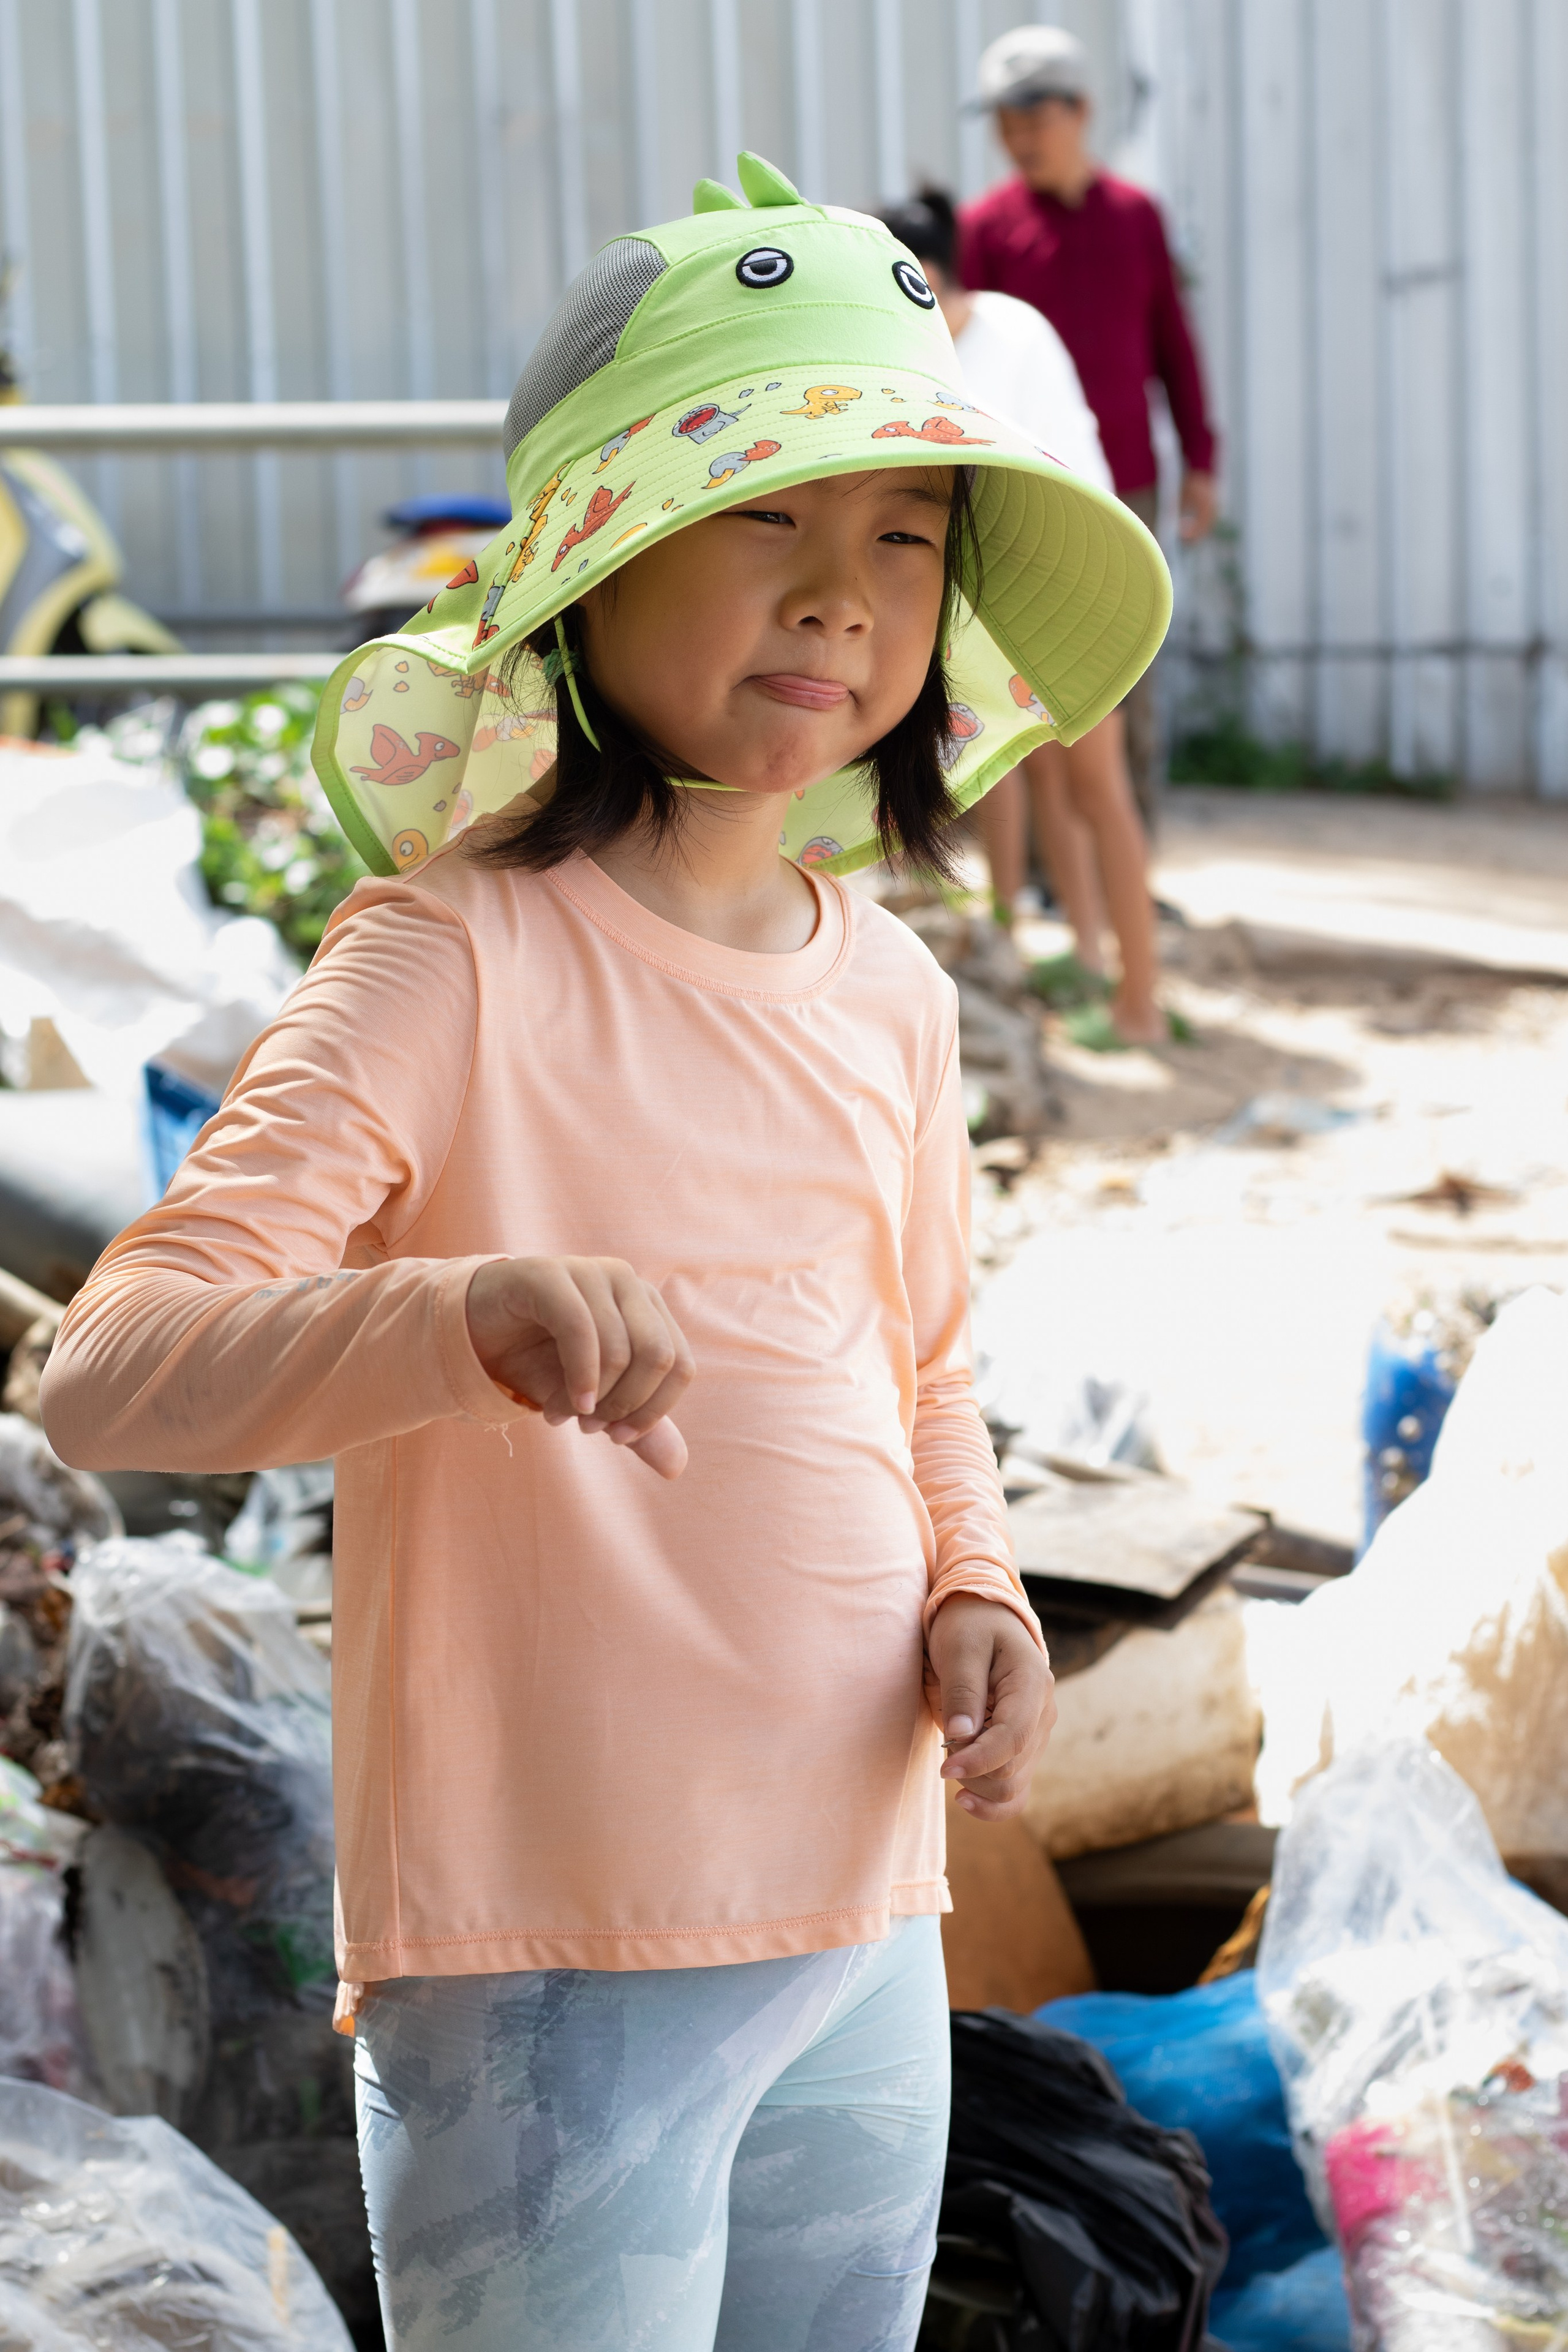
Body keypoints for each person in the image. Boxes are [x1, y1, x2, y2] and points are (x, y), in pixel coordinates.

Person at [41, 154, 1167, 2352]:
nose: (842, 599)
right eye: (769, 516)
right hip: (548, 1965)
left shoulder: (895, 996)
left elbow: (918, 1363)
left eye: (905, 542)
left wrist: (979, 1586)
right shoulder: (451, 961)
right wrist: (454, 1314)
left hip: (859, 1925)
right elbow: (105, 1368)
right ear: (590, 557)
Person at [883, 186, 1162, 1046]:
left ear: (925, 277)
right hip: (1000, 580)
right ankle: (1051, 947)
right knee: (1006, 762)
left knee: (1091, 786)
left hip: (1074, 572)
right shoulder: (938, 342)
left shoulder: (1003, 337)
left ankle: (1141, 999)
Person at [959, 24, 1220, 848]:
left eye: (1033, 118)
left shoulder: (1136, 217)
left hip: (1125, 484)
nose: (1017, 139)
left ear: (1081, 110)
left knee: (1124, 664)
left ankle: (1130, 858)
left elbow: (1173, 343)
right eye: (1004, 122)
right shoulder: (988, 229)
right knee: (1024, 671)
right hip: (1024, 490)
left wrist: (1202, 460)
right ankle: (1042, 866)